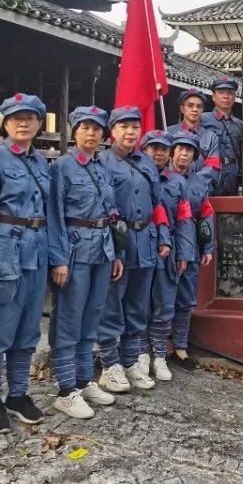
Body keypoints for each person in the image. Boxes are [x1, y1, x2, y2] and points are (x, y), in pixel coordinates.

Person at [0, 92, 50, 434]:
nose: (23, 123)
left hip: (36, 251)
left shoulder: (40, 161)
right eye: (16, 118)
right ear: (5, 123)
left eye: (30, 118)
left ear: (39, 123)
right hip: (3, 252)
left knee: (28, 329)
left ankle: (18, 394)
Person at [45, 105, 125, 419]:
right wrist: (58, 259)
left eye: (96, 128)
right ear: (74, 132)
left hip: (102, 249)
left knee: (92, 316)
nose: (91, 133)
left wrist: (116, 254)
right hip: (74, 251)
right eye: (85, 128)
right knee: (69, 318)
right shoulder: (62, 168)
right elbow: (54, 216)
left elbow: (111, 213)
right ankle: (66, 389)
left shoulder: (101, 166)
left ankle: (83, 379)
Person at [97, 106, 172, 392]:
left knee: (138, 306)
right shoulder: (103, 162)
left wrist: (163, 237)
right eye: (124, 126)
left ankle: (130, 362)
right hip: (120, 240)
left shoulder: (146, 162)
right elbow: (103, 208)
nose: (130, 132)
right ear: (112, 131)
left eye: (135, 127)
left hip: (146, 241)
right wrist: (113, 250)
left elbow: (157, 203)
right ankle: (109, 365)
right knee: (112, 304)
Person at [140, 130, 196, 381]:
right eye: (154, 148)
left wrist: (184, 252)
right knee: (139, 302)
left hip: (168, 250)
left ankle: (160, 355)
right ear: (144, 150)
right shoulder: (136, 177)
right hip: (140, 245)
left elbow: (184, 220)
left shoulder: (177, 183)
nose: (159, 153)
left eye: (164, 149)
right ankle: (141, 352)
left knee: (164, 302)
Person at [170, 128, 216, 370]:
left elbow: (206, 214)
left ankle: (180, 346)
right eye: (180, 149)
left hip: (192, 249)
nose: (184, 154)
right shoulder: (161, 178)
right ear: (172, 152)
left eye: (189, 151)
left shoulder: (198, 182)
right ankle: (157, 346)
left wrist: (207, 246)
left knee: (186, 299)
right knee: (161, 298)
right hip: (167, 248)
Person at [167, 89, 221, 189]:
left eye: (199, 106)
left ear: (202, 110)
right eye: (190, 105)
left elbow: (213, 167)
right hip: (173, 188)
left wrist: (193, 182)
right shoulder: (168, 133)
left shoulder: (211, 137)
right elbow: (164, 163)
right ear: (182, 109)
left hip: (200, 190)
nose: (195, 109)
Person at [201, 76, 243, 196]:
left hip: (232, 175)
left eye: (230, 93)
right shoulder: (203, 120)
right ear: (213, 96)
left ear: (234, 97)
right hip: (210, 172)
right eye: (221, 92)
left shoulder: (239, 125)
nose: (226, 96)